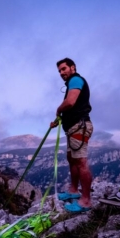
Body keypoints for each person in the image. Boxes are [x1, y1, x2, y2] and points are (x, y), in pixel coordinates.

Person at [50, 58, 93, 213]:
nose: (61, 73)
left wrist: (58, 109)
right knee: (72, 160)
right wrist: (57, 121)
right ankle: (74, 190)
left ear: (72, 67)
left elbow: (70, 103)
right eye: (59, 71)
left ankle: (86, 201)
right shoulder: (71, 83)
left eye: (64, 69)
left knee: (81, 162)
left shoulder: (75, 80)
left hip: (79, 127)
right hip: (73, 128)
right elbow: (69, 108)